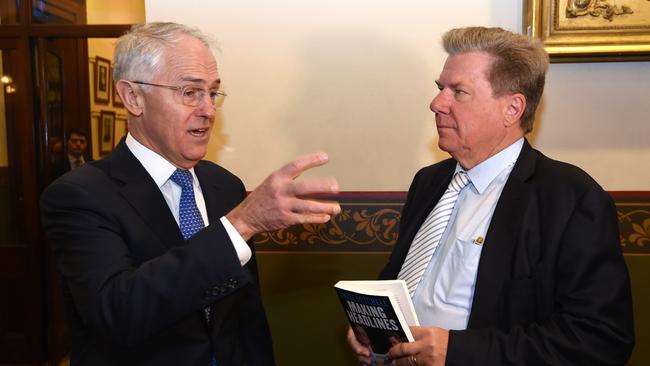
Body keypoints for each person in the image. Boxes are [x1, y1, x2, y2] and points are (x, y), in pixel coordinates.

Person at [40, 22, 341, 366]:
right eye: (189, 92)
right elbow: (118, 313)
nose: (209, 110)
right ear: (133, 97)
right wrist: (241, 224)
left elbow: (246, 316)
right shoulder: (79, 195)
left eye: (212, 93)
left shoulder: (225, 185)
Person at [347, 26, 634, 366]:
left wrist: (458, 352)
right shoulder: (429, 182)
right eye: (441, 89)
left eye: (459, 92)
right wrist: (372, 328)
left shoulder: (570, 198)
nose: (436, 103)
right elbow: (402, 280)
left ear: (512, 109)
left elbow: (600, 338)